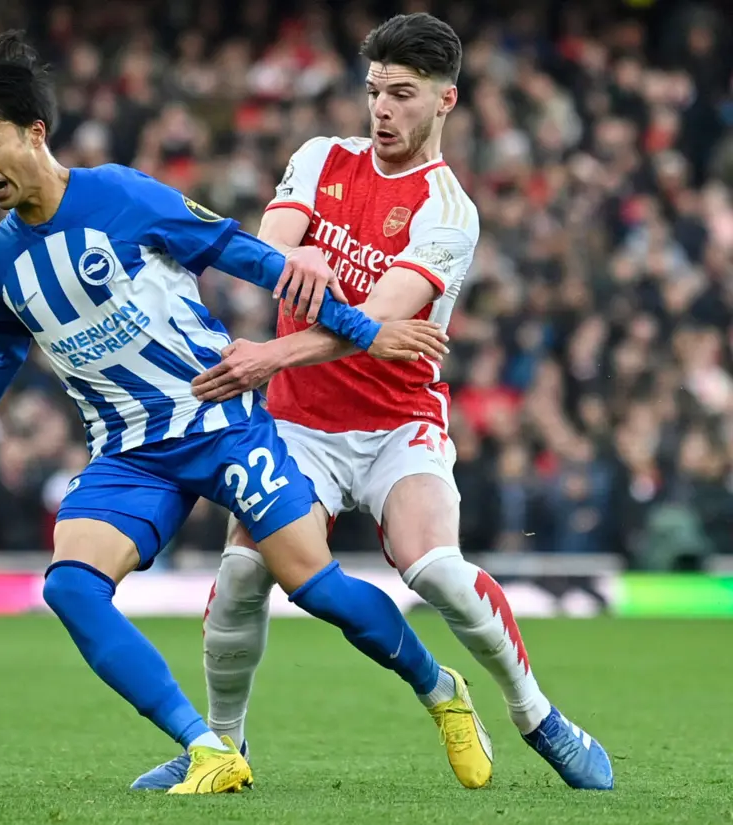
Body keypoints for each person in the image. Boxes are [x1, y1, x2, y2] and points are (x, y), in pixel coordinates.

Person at [0, 30, 484, 794]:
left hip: (221, 420)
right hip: (128, 450)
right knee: (70, 587)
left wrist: (366, 330)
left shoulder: (122, 195)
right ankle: (208, 747)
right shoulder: (0, 259)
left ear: (35, 132)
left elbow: (245, 253)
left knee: (315, 587)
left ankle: (439, 689)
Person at [133, 13, 613, 792]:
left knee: (437, 570)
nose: (382, 109)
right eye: (374, 91)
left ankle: (539, 716)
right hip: (297, 424)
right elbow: (270, 251)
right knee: (242, 574)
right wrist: (300, 259)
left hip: (397, 423)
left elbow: (378, 327)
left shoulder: (449, 211)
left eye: (402, 94)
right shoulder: (320, 159)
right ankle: (221, 748)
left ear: (446, 100)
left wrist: (271, 351)